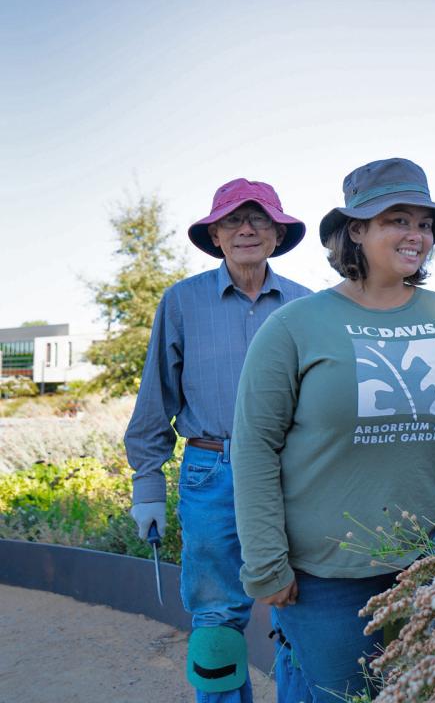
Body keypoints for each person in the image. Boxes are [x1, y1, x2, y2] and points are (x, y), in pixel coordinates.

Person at [231, 158, 435, 703]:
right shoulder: (295, 325)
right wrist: (266, 563)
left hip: (430, 558)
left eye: (425, 224)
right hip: (327, 575)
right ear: (355, 231)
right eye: (397, 220)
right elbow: (254, 449)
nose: (417, 236)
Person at [124, 179, 310, 703]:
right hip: (212, 470)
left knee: (300, 603)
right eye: (233, 220)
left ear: (278, 232)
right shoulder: (182, 302)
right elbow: (155, 393)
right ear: (216, 235)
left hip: (291, 471)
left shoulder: (307, 305)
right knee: (215, 616)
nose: (246, 229)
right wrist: (147, 485)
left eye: (259, 219)